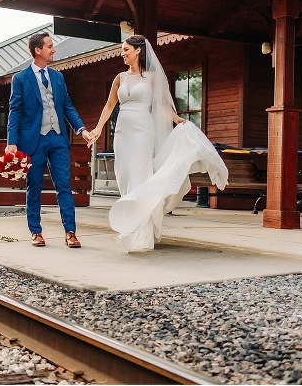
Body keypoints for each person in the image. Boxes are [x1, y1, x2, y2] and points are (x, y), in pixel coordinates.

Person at [88, 35, 228, 252]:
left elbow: (162, 106)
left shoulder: (153, 79)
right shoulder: (119, 78)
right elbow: (109, 106)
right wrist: (98, 129)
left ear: (138, 50)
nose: (122, 53)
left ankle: (141, 232)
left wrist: (177, 119)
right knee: (125, 176)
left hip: (143, 132)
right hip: (123, 133)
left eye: (126, 49)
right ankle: (129, 225)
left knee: (141, 175)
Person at [6, 32, 93, 248]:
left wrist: (81, 129)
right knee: (34, 186)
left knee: (64, 184)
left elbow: (67, 107)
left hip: (58, 139)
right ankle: (36, 232)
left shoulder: (58, 77)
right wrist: (11, 142)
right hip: (33, 141)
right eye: (49, 46)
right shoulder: (20, 79)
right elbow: (15, 111)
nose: (53, 49)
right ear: (38, 50)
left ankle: (70, 232)